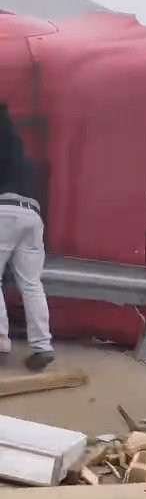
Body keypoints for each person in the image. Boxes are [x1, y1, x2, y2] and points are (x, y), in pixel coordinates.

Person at [0, 102, 54, 370]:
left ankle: (0, 337)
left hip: (4, 211)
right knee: (32, 283)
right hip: (32, 215)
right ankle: (42, 346)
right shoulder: (22, 153)